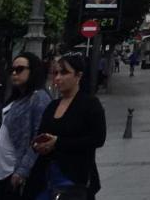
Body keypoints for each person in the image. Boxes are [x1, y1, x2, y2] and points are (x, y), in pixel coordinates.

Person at [25, 52, 106, 200]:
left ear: (78, 75)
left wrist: (58, 143)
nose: (58, 78)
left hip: (74, 178)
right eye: (55, 73)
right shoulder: (52, 105)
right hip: (46, 176)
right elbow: (42, 133)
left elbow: (97, 139)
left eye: (64, 73)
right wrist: (39, 145)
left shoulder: (90, 104)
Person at [0, 53, 52, 197]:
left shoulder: (38, 97)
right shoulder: (19, 97)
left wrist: (23, 170)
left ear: (33, 71)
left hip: (14, 173)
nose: (14, 73)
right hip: (2, 170)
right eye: (12, 70)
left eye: (20, 69)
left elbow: (39, 137)